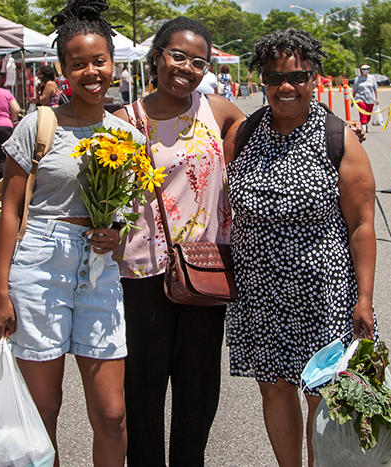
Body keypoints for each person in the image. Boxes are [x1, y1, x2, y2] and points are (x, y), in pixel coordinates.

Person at [0, 0, 144, 465]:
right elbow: (11, 211)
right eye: (79, 63)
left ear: (113, 65)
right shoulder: (38, 125)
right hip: (40, 267)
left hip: (99, 274)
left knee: (113, 414)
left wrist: (115, 232)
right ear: (64, 69)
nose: (91, 72)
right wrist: (1, 290)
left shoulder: (128, 137)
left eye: (99, 61)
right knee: (43, 412)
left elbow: (128, 210)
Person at [222, 29, 377, 467]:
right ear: (261, 80)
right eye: (274, 77)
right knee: (273, 387)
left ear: (314, 78)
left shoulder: (337, 137)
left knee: (321, 393)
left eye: (297, 76)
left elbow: (363, 224)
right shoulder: (245, 133)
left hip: (321, 293)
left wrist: (364, 298)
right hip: (261, 293)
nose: (285, 86)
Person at [112, 17, 244, 467]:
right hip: (139, 273)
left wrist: (339, 135)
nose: (187, 67)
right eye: (178, 55)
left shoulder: (218, 110)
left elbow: (271, 139)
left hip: (204, 268)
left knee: (198, 389)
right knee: (142, 391)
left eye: (199, 61)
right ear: (157, 57)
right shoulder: (123, 120)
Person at [351, 63, 378, 134]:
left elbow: (375, 89)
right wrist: (352, 99)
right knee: (363, 112)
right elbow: (354, 90)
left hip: (370, 99)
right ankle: (364, 126)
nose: (366, 71)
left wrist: (376, 98)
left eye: (367, 69)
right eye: (364, 69)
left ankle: (366, 124)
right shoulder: (358, 79)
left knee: (368, 114)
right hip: (360, 98)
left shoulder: (372, 78)